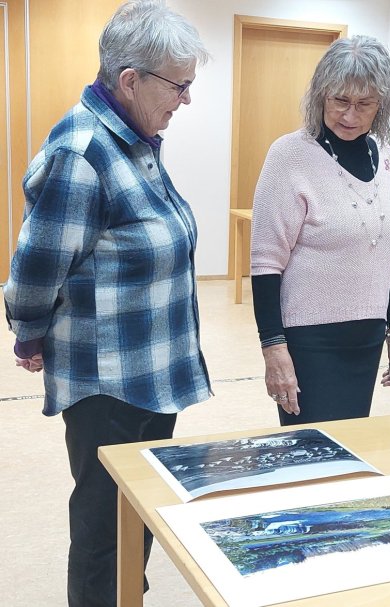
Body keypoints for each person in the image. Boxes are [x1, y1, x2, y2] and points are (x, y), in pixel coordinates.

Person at [2, 2, 210, 605]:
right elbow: (36, 268)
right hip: (109, 382)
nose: (186, 100)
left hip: (150, 370)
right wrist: (29, 332)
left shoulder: (136, 137)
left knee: (136, 511)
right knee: (101, 527)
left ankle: (127, 594)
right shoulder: (83, 149)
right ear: (129, 80)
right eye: (180, 86)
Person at [250, 35, 390, 425]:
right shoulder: (290, 155)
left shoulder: (386, 158)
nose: (349, 116)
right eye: (340, 100)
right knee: (308, 457)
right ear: (320, 95)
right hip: (309, 342)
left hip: (366, 338)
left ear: (381, 106)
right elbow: (265, 262)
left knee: (351, 448)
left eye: (364, 104)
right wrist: (273, 347)